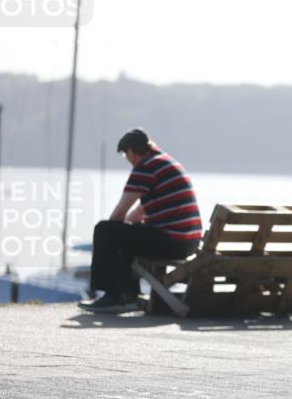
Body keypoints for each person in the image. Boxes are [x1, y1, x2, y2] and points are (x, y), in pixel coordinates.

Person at [78, 128, 202, 313]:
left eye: (125, 155)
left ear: (130, 151)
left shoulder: (145, 167)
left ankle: (112, 296)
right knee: (127, 233)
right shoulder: (166, 162)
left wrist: (116, 229)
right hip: (189, 243)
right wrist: (127, 226)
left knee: (104, 230)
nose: (128, 160)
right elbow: (139, 212)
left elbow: (118, 215)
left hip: (171, 241)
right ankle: (128, 295)